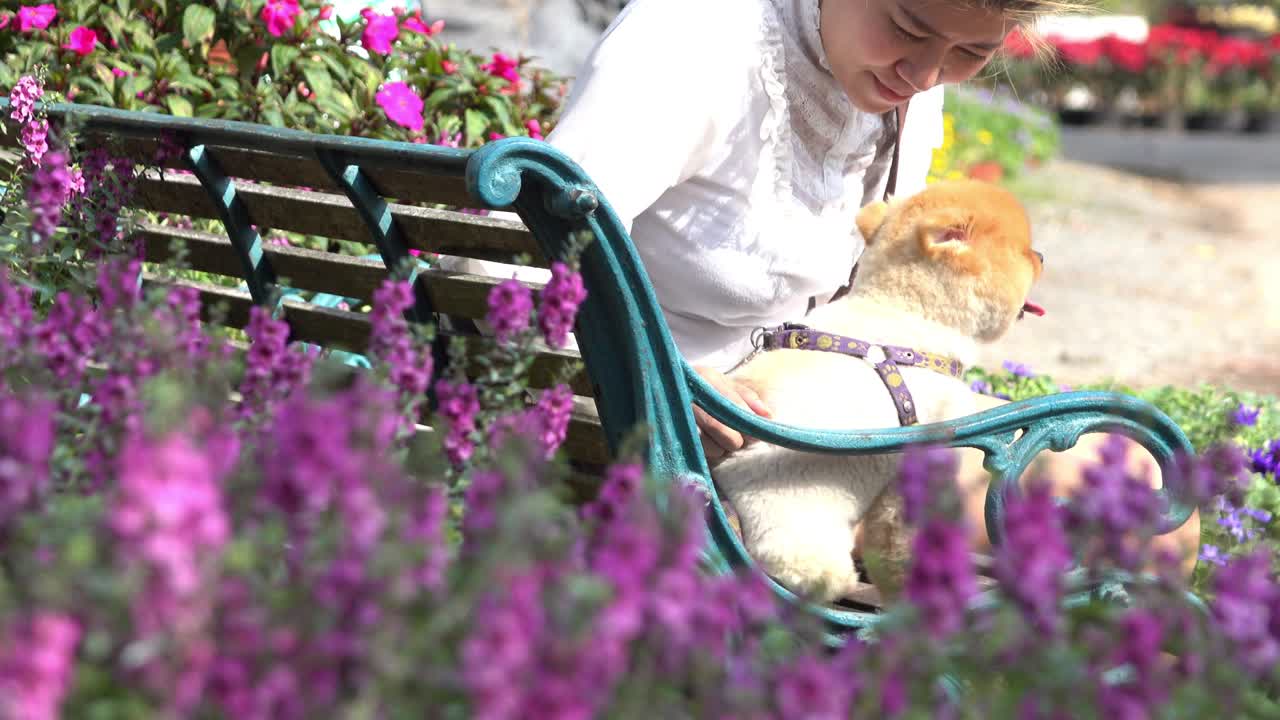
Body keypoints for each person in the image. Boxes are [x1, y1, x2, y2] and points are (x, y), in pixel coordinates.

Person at [544, 0, 1202, 570]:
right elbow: (524, 259)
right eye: (907, 26)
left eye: (971, 50)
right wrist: (653, 373)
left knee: (1144, 487)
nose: (923, 75)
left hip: (840, 420)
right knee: (1112, 516)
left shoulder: (908, 86)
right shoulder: (695, 43)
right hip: (700, 440)